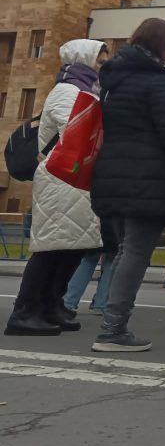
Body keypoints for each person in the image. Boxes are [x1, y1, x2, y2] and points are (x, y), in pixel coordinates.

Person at [89, 20, 165, 352]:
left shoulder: (115, 81)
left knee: (123, 251)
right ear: (160, 44)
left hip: (113, 174)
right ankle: (113, 328)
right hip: (148, 179)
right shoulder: (158, 84)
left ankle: (111, 321)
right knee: (135, 253)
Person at [4, 40, 109, 336]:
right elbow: (77, 133)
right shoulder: (67, 90)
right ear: (84, 60)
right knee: (52, 247)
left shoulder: (87, 90)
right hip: (60, 178)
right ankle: (24, 311)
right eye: (99, 63)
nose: (103, 68)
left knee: (73, 247)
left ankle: (51, 304)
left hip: (76, 179)